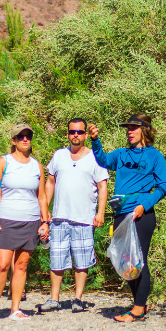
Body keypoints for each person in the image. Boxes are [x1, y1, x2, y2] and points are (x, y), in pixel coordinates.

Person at [89, 114, 166, 322]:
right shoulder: (121, 154)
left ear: (145, 130)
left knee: (138, 259)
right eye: (128, 128)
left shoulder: (155, 156)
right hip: (121, 213)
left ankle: (138, 309)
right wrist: (95, 140)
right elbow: (103, 160)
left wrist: (145, 205)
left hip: (141, 214)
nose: (129, 131)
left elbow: (163, 187)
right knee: (126, 261)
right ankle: (139, 304)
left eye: (134, 127)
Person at [39, 118, 108, 313]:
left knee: (82, 260)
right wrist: (45, 209)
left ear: (86, 134)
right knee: (56, 258)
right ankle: (54, 299)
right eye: (72, 132)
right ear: (68, 134)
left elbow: (102, 186)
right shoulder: (60, 155)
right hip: (60, 216)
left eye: (79, 132)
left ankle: (77, 298)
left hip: (84, 217)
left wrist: (100, 213)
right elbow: (50, 182)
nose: (75, 135)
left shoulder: (95, 156)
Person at [0, 122, 50, 320]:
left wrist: (45, 221)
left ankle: (15, 309)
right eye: (21, 136)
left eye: (28, 136)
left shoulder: (37, 165)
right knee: (3, 264)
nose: (25, 139)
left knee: (22, 265)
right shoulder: (4, 162)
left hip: (30, 220)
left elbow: (41, 197)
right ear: (13, 141)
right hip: (6, 219)